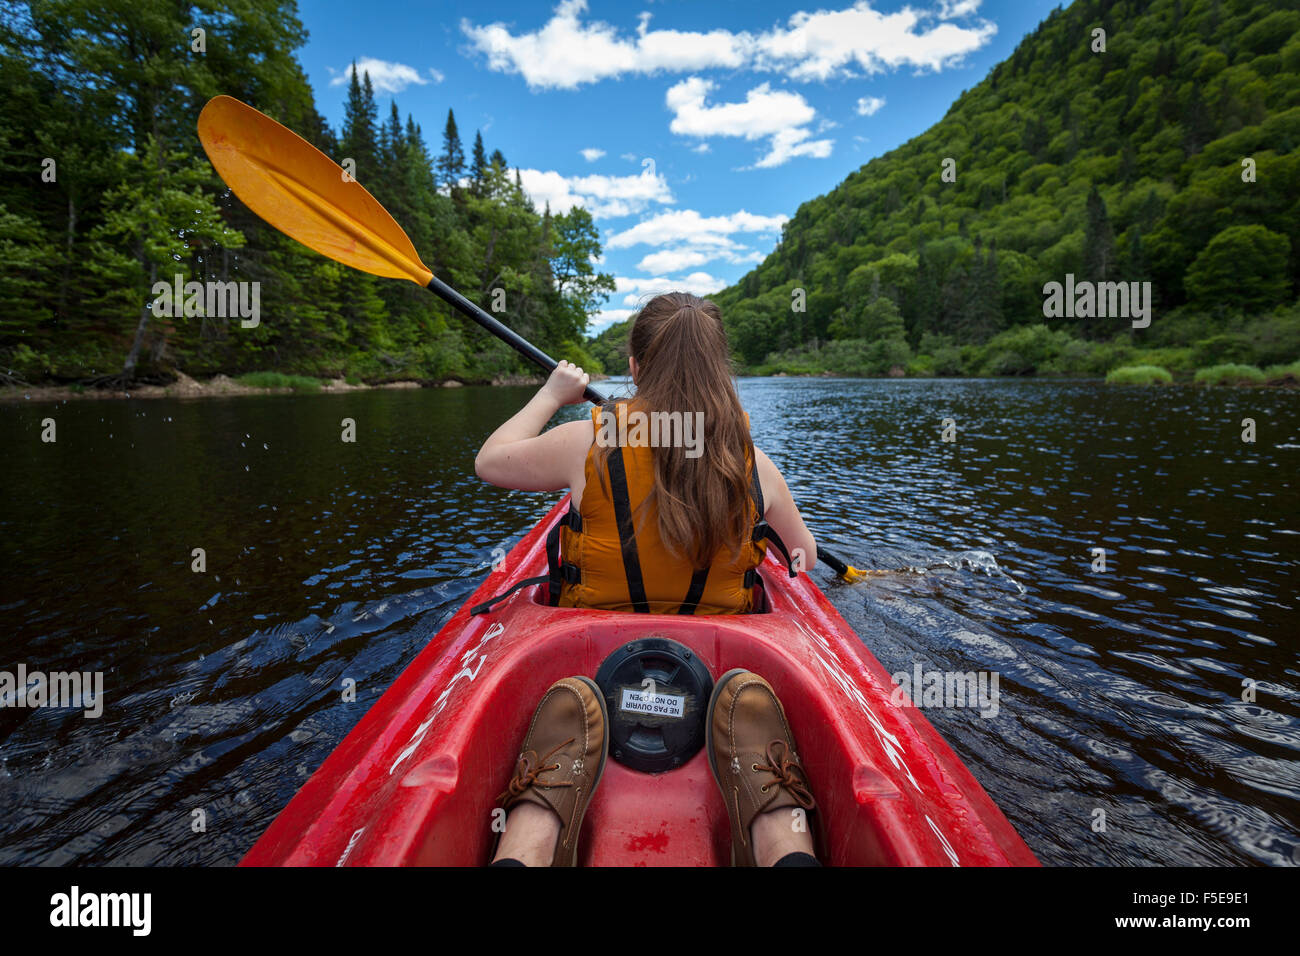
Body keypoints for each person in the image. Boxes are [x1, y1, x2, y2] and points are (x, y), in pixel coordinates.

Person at [474, 292, 821, 866]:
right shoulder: (754, 464)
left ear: (634, 367)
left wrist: (551, 394)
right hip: (723, 656)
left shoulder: (586, 441)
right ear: (719, 369)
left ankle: (533, 837)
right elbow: (802, 560)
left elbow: (490, 461)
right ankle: (777, 842)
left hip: (586, 655)